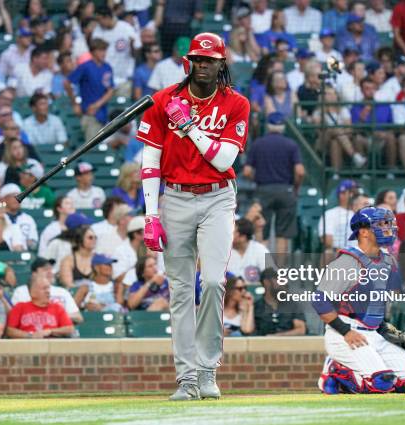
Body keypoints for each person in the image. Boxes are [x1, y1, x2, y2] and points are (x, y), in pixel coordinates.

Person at [137, 33, 249, 401]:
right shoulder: (163, 100)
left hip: (218, 196)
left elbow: (223, 161)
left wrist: (187, 126)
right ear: (189, 62)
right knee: (182, 291)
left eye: (209, 60)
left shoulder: (236, 103)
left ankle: (207, 370)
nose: (202, 65)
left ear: (221, 64)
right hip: (176, 198)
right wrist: (151, 214)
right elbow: (150, 159)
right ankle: (186, 377)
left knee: (215, 282)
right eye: (196, 60)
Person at [313, 207, 405, 394]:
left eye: (389, 223)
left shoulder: (388, 261)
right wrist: (345, 331)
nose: (388, 228)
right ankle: (336, 369)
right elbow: (319, 301)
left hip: (374, 333)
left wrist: (384, 328)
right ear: (363, 231)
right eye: (381, 224)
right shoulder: (347, 261)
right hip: (345, 332)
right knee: (379, 384)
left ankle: (353, 371)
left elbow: (375, 303)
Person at [242, 112, 304, 252]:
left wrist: (257, 179)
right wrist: (295, 187)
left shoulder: (258, 144)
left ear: (268, 126)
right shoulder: (291, 145)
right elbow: (300, 171)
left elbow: (246, 171)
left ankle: (264, 269)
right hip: (286, 190)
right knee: (282, 235)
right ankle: (279, 271)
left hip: (264, 190)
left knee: (262, 231)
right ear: (283, 127)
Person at [65, 38, 114, 143]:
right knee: (93, 146)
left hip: (103, 112)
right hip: (89, 113)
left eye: (104, 50)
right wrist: (74, 104)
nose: (103, 53)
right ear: (93, 51)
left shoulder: (107, 67)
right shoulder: (85, 67)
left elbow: (110, 90)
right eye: (100, 50)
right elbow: (67, 83)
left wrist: (98, 104)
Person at [12, 257, 82, 324]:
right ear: (34, 274)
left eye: (50, 269)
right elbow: (18, 316)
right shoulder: (22, 291)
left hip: (61, 332)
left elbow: (78, 317)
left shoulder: (62, 292)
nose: (50, 272)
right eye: (45, 269)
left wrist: (56, 316)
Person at [6, 273, 74, 339]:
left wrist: (50, 331)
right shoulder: (20, 307)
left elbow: (69, 329)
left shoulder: (57, 308)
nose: (48, 291)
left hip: (52, 346)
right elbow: (10, 331)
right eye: (44, 289)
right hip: (27, 346)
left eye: (48, 288)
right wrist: (30, 336)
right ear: (32, 292)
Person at [91, 7, 141, 95]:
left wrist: (132, 46)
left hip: (124, 78)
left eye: (100, 19)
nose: (98, 22)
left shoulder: (126, 28)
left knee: (125, 107)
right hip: (105, 78)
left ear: (107, 17)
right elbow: (94, 52)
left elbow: (136, 54)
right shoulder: (98, 31)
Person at [254, 267, 306, 336]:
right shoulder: (256, 306)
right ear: (266, 282)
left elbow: (301, 330)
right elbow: (248, 331)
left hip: (289, 345)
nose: (284, 283)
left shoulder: (292, 304)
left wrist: (277, 336)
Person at [318, 180, 359, 254]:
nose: (355, 195)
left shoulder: (362, 214)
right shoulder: (330, 214)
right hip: (341, 252)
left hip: (363, 253)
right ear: (341, 194)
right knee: (328, 252)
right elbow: (327, 241)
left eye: (356, 193)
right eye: (352, 192)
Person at [227, 219, 269, 286]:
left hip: (255, 292)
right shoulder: (223, 251)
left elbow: (270, 276)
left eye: (232, 232)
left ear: (243, 237)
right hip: (230, 293)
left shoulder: (260, 250)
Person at [0, 184, 38, 251]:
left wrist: (30, 244)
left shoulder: (28, 219)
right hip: (3, 254)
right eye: (12, 196)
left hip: (25, 255)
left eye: (19, 196)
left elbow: (34, 243)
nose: (16, 199)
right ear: (3, 199)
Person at [112, 216, 145, 287]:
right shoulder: (120, 251)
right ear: (136, 234)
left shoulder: (153, 247)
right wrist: (138, 266)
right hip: (127, 289)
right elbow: (118, 278)